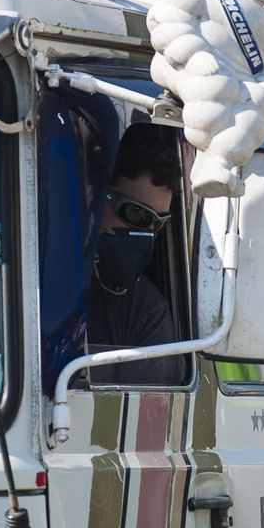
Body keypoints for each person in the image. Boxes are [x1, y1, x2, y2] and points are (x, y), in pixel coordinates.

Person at [83, 124, 182, 385]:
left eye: (157, 223)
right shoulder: (17, 281)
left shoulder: (145, 311)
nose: (147, 234)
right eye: (137, 214)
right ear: (93, 198)